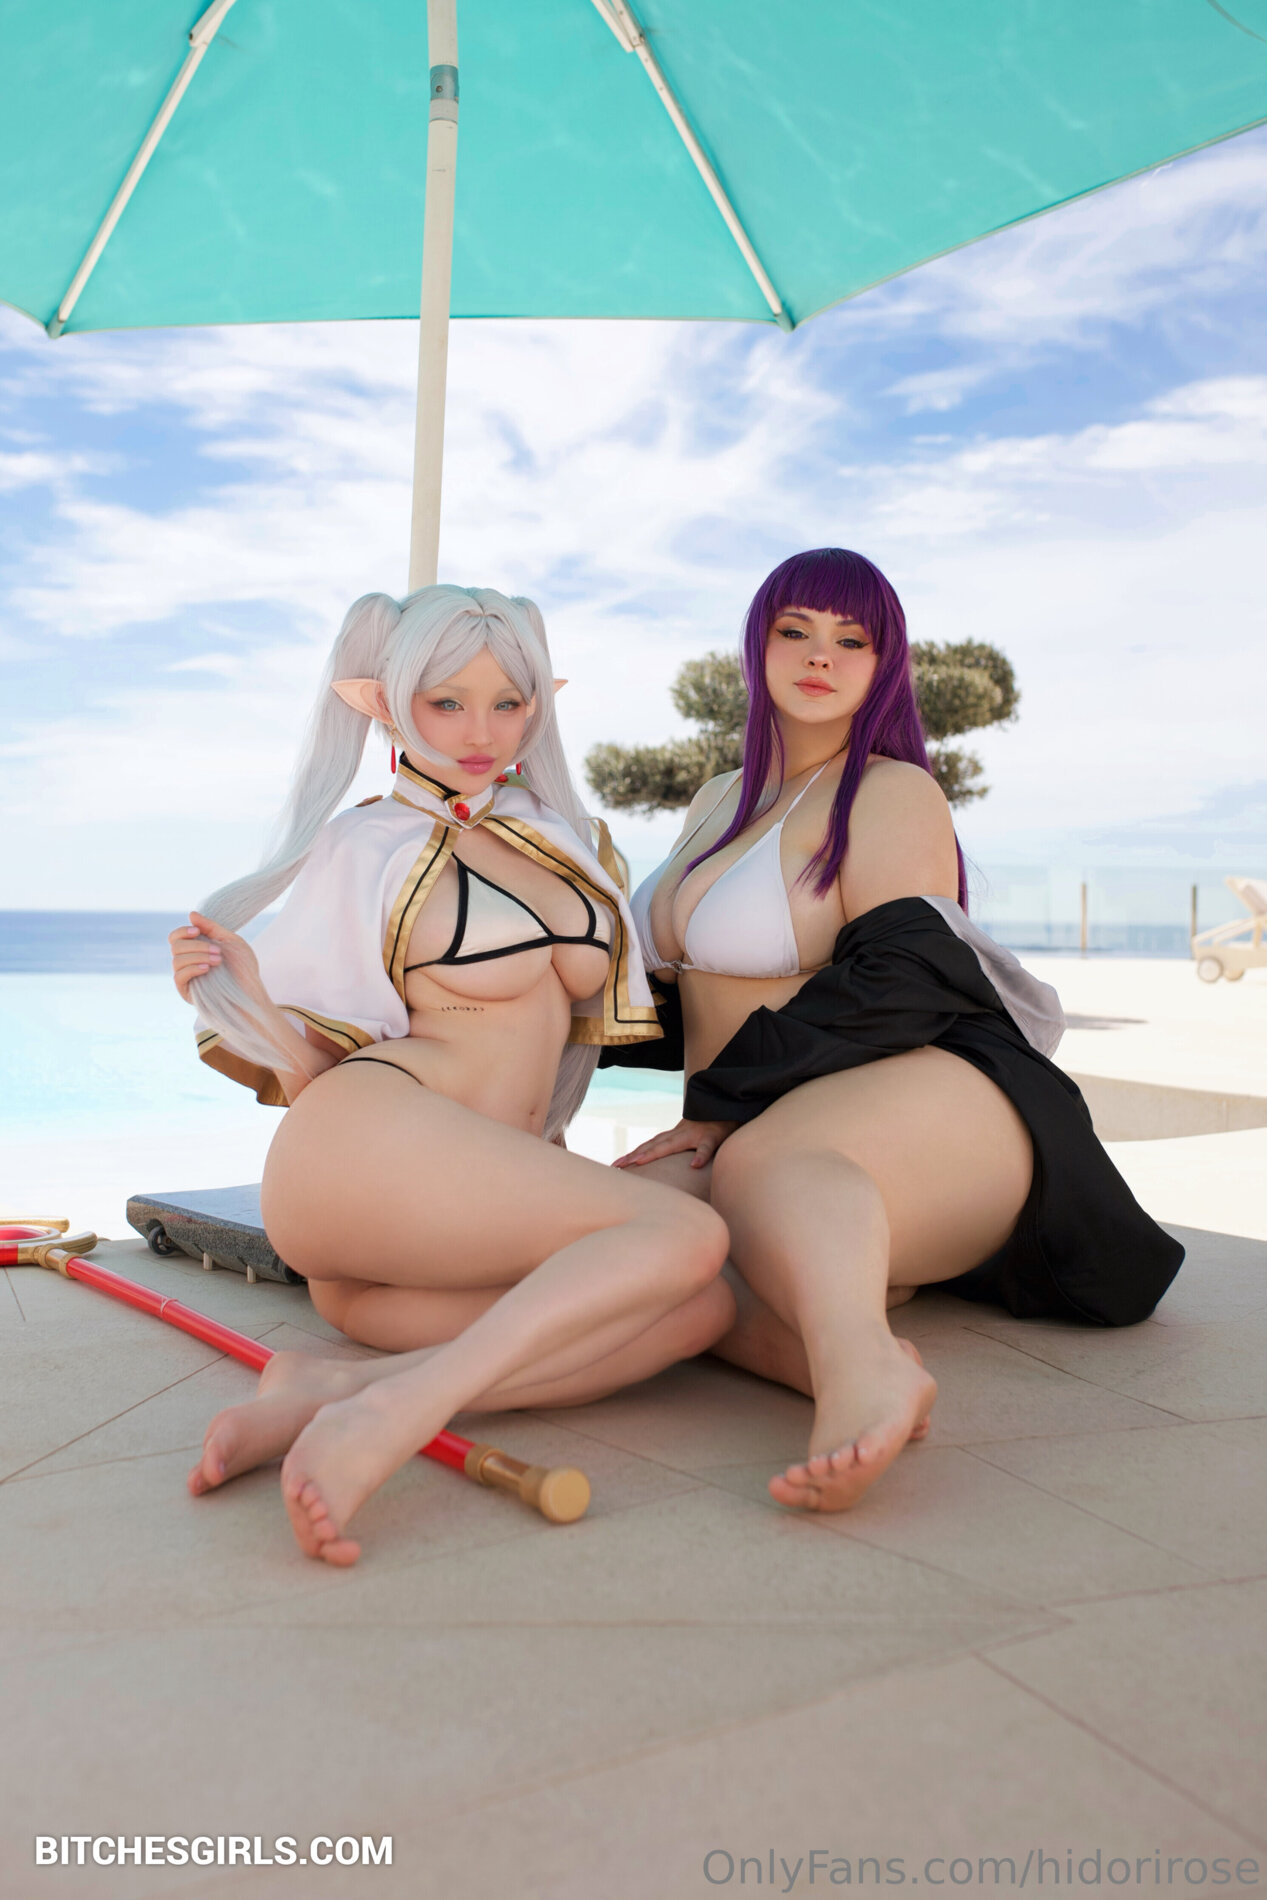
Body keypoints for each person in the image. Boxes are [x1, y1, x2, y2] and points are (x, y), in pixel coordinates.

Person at [613, 548, 1183, 1514]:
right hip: (750, 1112)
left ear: (885, 666)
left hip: (916, 1098)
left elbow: (901, 980)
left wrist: (716, 1110)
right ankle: (813, 1340)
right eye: (794, 631)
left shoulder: (890, 791)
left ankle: (855, 1369)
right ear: (756, 646)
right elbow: (650, 995)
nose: (819, 656)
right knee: (618, 1236)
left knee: (757, 1170)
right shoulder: (715, 799)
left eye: (852, 640)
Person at [171, 585, 730, 1565]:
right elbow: (319, 1077)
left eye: (508, 702)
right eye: (447, 703)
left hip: (447, 1225)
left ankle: (330, 1388)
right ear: (387, 705)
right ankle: (393, 1416)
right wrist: (252, 997)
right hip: (367, 1145)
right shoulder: (362, 845)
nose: (481, 732)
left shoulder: (570, 838)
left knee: (697, 1307)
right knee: (687, 1235)